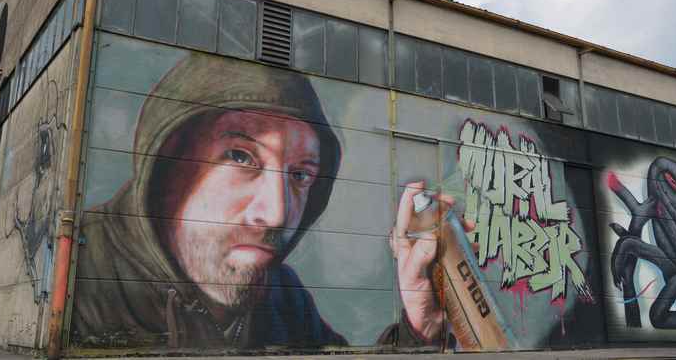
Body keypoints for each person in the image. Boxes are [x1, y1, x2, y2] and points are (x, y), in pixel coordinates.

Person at [71, 53, 460, 350]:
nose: (275, 214)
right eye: (241, 157)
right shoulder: (81, 274)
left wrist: (418, 328)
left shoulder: (279, 295)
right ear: (166, 164)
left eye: (300, 175)